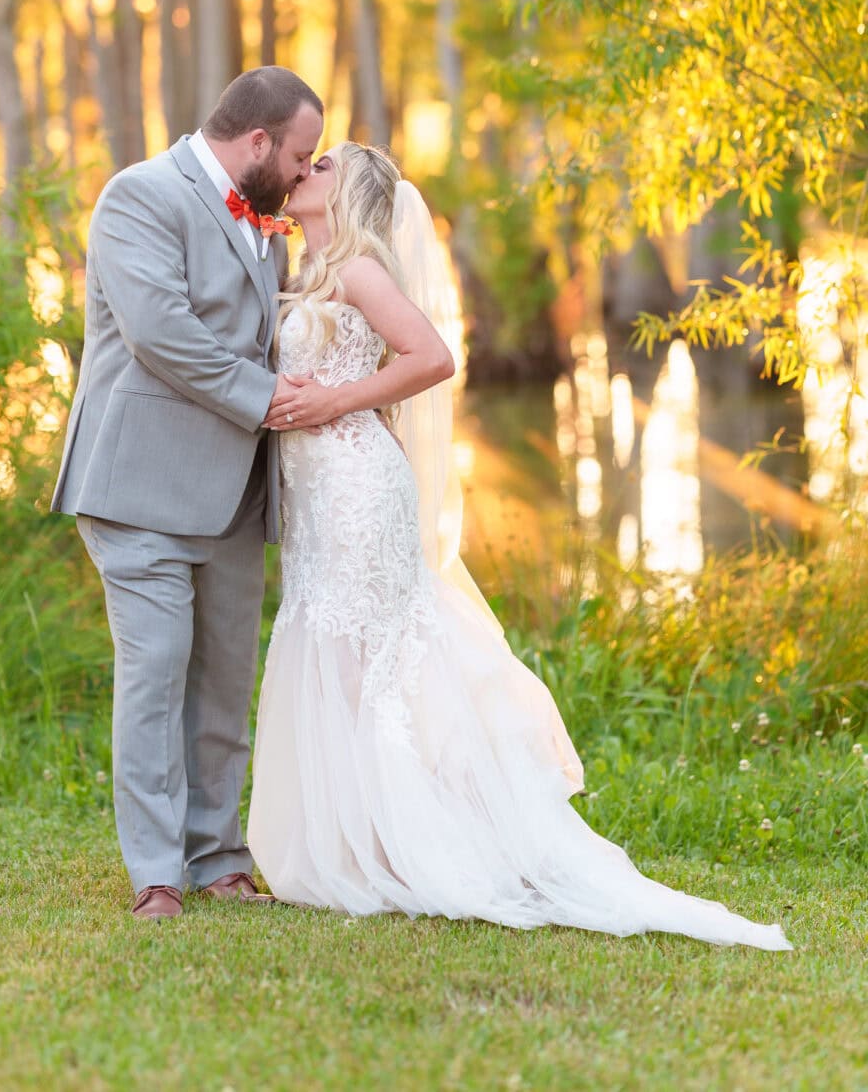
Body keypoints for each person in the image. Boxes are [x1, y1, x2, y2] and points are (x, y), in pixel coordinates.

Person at [248, 143, 792, 950]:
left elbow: (433, 357)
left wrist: (336, 400)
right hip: (322, 494)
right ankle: (361, 839)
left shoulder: (360, 269)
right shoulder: (306, 265)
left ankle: (400, 846)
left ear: (350, 195)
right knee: (340, 652)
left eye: (321, 166)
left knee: (368, 661)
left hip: (361, 488)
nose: (302, 172)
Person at [51, 67, 324, 918]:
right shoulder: (138, 197)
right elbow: (161, 332)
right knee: (156, 671)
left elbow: (264, 328)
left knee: (223, 680)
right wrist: (270, 399)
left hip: (236, 490)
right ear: (256, 143)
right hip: (140, 484)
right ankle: (157, 873)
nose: (304, 175)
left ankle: (219, 858)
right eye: (300, 156)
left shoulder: (266, 221)